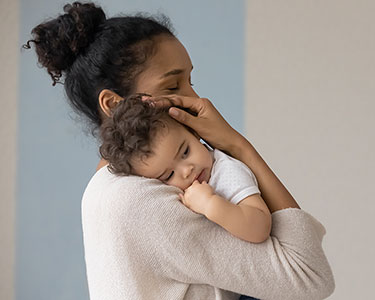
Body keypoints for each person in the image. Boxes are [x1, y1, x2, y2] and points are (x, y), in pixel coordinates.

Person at [24, 2, 335, 299]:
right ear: (114, 104)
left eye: (191, 81)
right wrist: (238, 146)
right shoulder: (140, 201)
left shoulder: (114, 188)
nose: (198, 100)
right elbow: (309, 275)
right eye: (173, 87)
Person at [99, 95, 272, 246]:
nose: (187, 171)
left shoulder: (226, 172)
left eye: (185, 152)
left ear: (194, 133)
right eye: (169, 175)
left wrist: (210, 204)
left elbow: (260, 226)